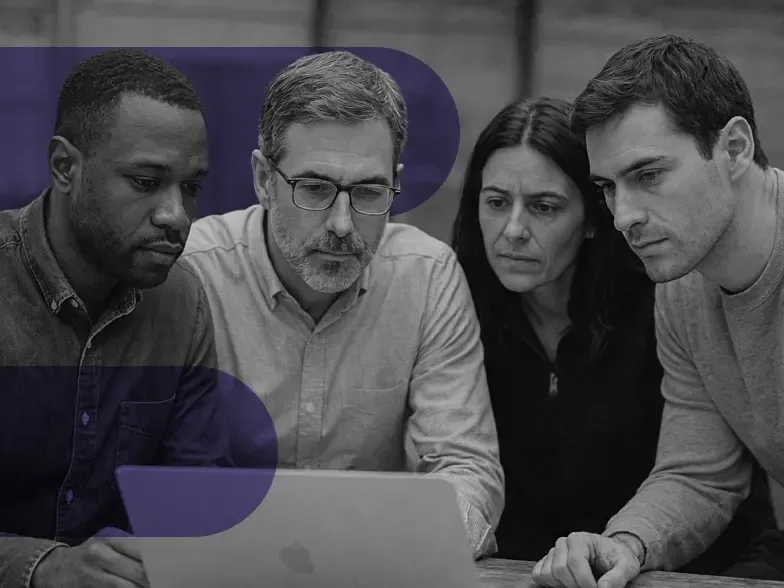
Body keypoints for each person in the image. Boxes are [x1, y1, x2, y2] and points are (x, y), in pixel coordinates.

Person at [177, 49, 505, 558]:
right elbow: (155, 471)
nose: (343, 225)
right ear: (264, 179)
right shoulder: (192, 273)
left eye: (370, 192)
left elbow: (468, 469)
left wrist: (416, 537)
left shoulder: (426, 276)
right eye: (314, 188)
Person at [451, 95, 777, 575]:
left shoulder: (662, 290)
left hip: (701, 570)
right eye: (496, 202)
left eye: (544, 206)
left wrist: (624, 545)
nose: (513, 230)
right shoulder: (456, 306)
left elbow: (703, 477)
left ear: (590, 221)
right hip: (539, 573)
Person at [531, 34, 784, 588]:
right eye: (608, 187)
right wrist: (625, 543)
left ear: (735, 148)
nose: (623, 217)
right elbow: (699, 474)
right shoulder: (680, 287)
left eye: (648, 176)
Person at [0, 48, 233, 588]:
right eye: (146, 182)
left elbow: (200, 504)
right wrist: (46, 568)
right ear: (65, 167)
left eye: (191, 187)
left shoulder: (181, 302)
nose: (176, 216)